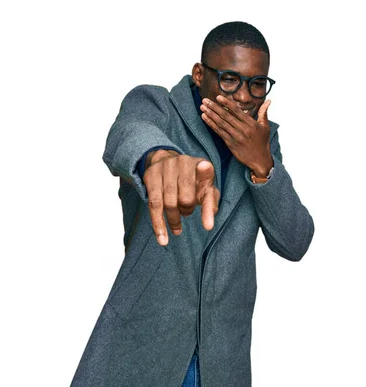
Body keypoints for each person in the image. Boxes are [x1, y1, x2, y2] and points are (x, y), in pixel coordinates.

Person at [71, 21, 314, 387]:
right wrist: (159, 158)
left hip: (223, 359)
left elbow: (295, 242)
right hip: (142, 347)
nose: (245, 96)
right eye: (230, 79)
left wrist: (263, 165)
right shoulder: (158, 107)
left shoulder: (263, 142)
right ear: (200, 74)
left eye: (257, 83)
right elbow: (127, 134)